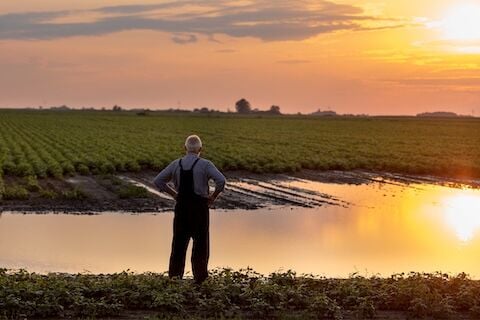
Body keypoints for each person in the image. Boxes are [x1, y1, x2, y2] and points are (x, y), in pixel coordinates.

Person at [153, 135, 226, 283]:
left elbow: (158, 180)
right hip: (200, 209)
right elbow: (221, 181)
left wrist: (174, 194)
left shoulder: (176, 164)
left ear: (184, 148)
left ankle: (174, 280)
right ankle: (200, 280)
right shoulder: (205, 164)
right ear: (201, 149)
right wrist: (213, 197)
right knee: (201, 245)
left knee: (179, 245)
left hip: (182, 208)